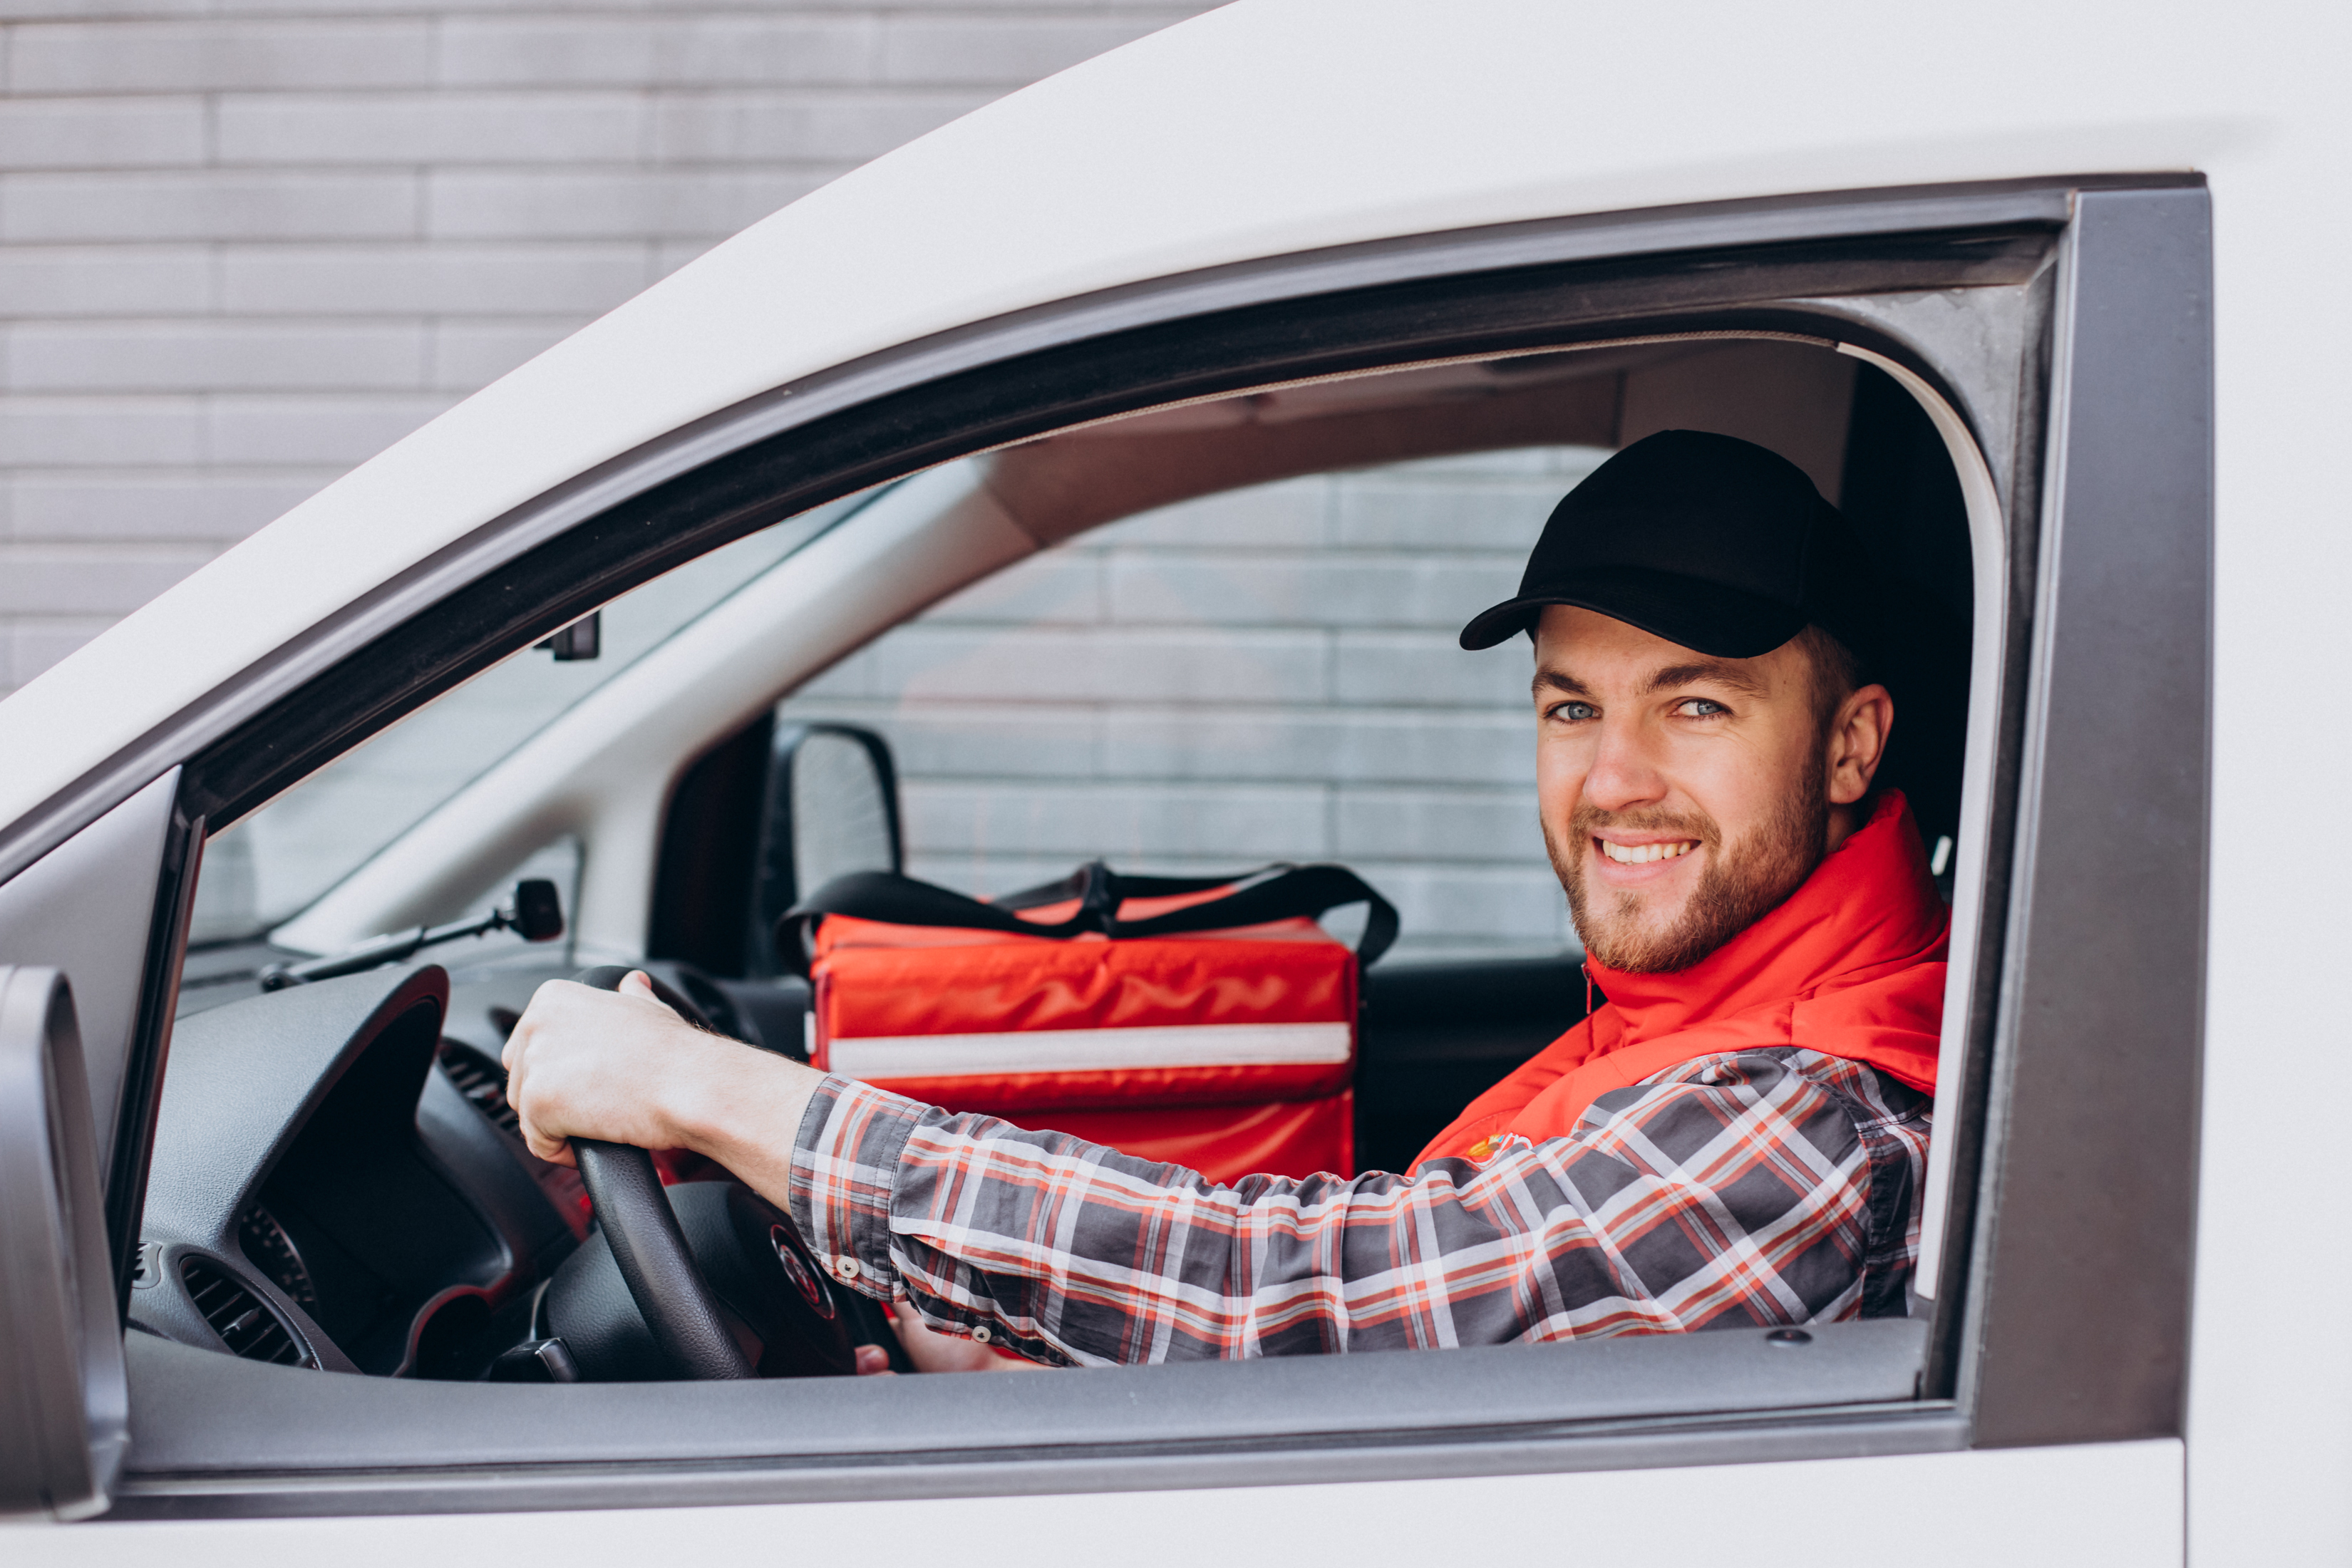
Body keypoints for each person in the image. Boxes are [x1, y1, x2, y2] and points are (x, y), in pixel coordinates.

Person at [503, 429, 1947, 1369]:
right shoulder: (1685, 1015)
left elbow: (1308, 1290)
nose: (1615, 778)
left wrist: (719, 1096)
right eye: (1572, 706)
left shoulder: (1811, 1114)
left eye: (1695, 705)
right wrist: (1002, 1361)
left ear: (1849, 743)